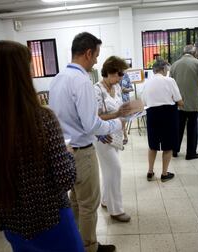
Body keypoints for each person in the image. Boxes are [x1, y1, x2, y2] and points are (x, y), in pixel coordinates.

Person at [0, 41, 83, 252]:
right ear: (20, 72)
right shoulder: (42, 119)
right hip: (52, 219)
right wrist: (68, 154)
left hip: (14, 223)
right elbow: (65, 179)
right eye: (29, 65)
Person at [49, 32, 128, 252]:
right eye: (95, 56)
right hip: (82, 151)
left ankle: (74, 243)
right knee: (88, 205)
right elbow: (91, 124)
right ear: (88, 52)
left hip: (65, 148)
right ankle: (89, 246)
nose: (95, 62)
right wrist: (117, 124)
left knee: (75, 200)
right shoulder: (82, 80)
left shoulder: (59, 77)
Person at [94, 56, 131, 222]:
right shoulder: (97, 90)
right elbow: (96, 117)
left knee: (108, 170)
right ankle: (116, 210)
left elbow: (121, 111)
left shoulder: (116, 87)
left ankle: (105, 200)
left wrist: (124, 132)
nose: (121, 77)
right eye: (119, 73)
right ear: (109, 72)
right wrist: (117, 115)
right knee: (115, 169)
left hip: (116, 134)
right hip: (103, 137)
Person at [143, 59, 183, 181]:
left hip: (152, 114)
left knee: (153, 145)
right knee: (168, 145)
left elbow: (144, 101)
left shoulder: (147, 83)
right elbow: (179, 101)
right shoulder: (169, 81)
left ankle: (150, 172)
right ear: (164, 69)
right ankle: (164, 174)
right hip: (168, 114)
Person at [170, 45, 198, 160]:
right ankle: (190, 153)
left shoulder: (175, 65)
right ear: (194, 53)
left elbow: (170, 83)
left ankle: (175, 150)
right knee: (192, 127)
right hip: (193, 102)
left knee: (178, 126)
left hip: (178, 101)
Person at [119, 72, 134, 145]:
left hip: (125, 101)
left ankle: (124, 135)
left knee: (123, 120)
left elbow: (131, 88)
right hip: (117, 101)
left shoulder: (126, 75)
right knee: (120, 119)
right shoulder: (114, 76)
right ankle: (125, 136)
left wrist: (126, 90)